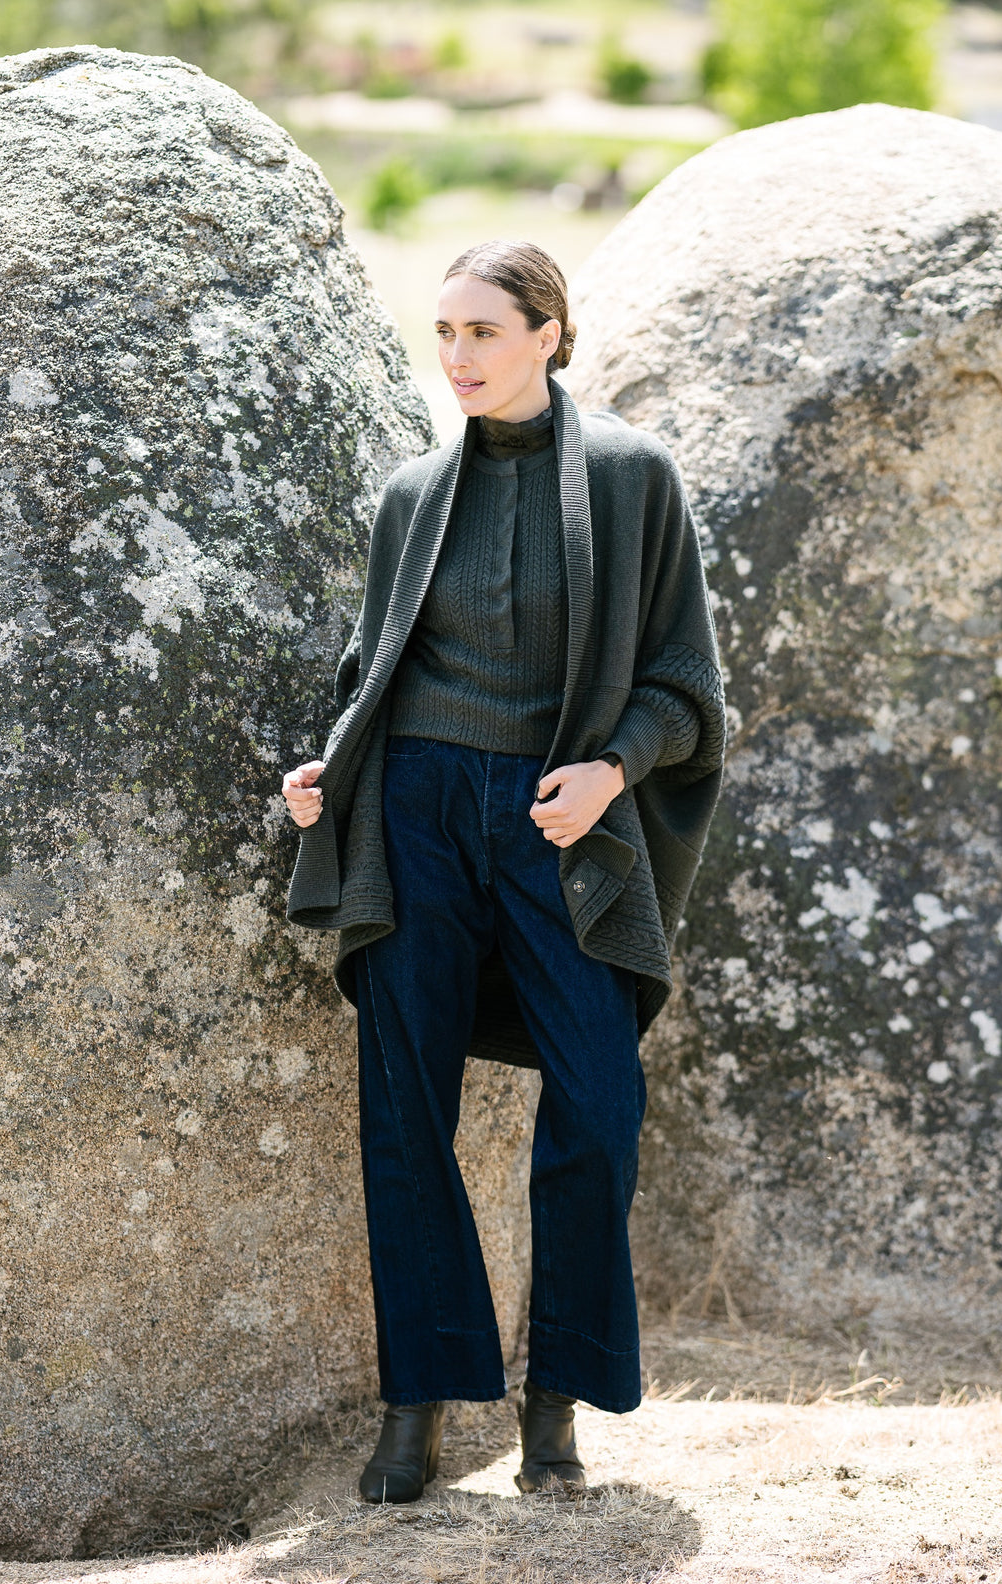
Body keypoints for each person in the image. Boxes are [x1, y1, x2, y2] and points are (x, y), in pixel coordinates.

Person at [282, 240, 724, 1504]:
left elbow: (689, 689)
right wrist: (327, 776)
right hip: (415, 814)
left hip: (556, 826)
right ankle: (416, 1408)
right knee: (403, 1108)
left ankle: (555, 1399)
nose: (459, 357)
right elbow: (373, 675)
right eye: (445, 332)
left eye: (483, 330)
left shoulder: (634, 478)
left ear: (548, 333)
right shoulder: (414, 493)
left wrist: (613, 771)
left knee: (598, 1104)